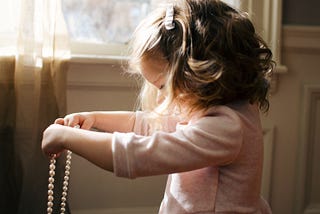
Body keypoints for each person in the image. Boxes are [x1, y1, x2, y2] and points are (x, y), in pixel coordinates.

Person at [42, 0, 274, 213]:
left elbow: (137, 155)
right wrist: (94, 118)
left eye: (163, 86)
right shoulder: (211, 109)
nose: (163, 98)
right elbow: (146, 123)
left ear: (203, 74)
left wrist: (66, 137)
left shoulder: (226, 128)